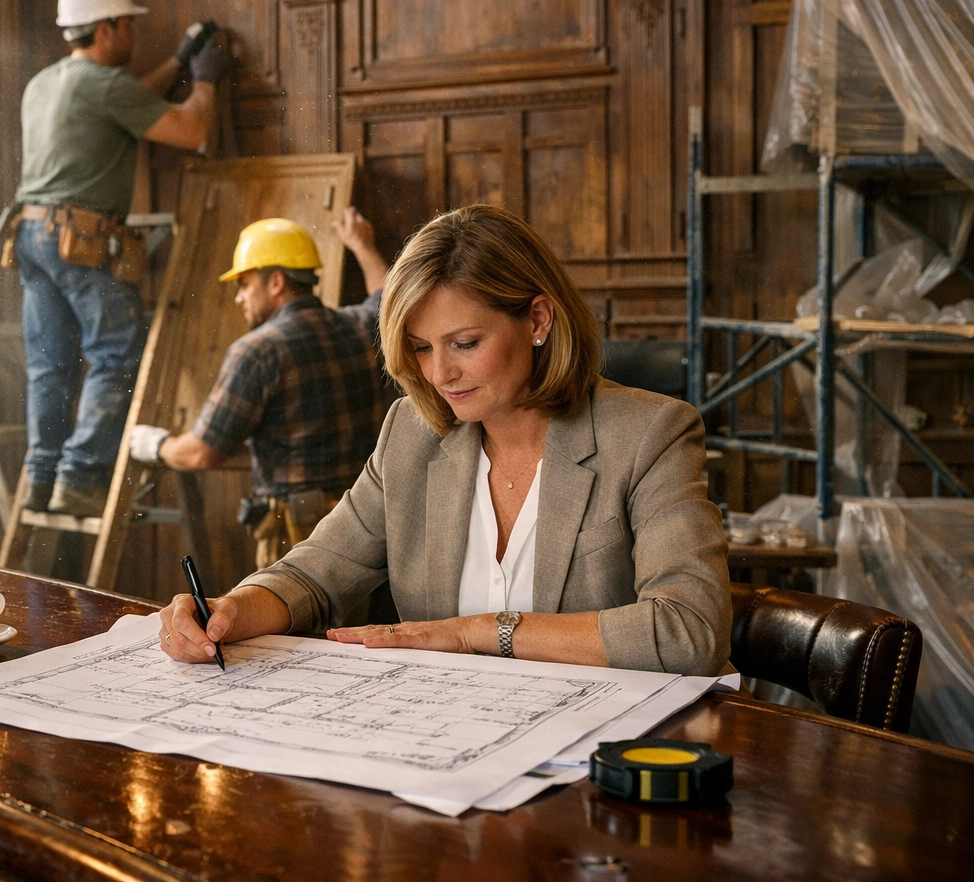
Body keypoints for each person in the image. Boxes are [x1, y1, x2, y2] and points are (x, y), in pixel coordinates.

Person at [157, 205, 732, 676]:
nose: (439, 374)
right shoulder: (412, 433)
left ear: (538, 320)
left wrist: (475, 632)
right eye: (421, 348)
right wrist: (228, 611)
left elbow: (689, 631)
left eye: (464, 343)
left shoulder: (650, 433)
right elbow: (312, 574)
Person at [12, 0, 233, 519]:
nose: (135, 34)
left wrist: (177, 62)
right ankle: (82, 476)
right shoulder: (104, 86)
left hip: (31, 235)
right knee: (117, 352)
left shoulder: (46, 83)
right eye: (128, 25)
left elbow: (128, 104)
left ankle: (42, 476)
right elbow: (190, 130)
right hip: (79, 239)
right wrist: (205, 80)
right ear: (106, 28)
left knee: (49, 364)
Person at [127, 209, 390, 570]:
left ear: (276, 282)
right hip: (366, 522)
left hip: (299, 535)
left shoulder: (257, 351)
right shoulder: (361, 328)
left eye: (244, 284)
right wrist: (362, 246)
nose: (239, 298)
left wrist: (155, 444)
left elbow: (202, 454)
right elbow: (386, 297)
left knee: (290, 609)